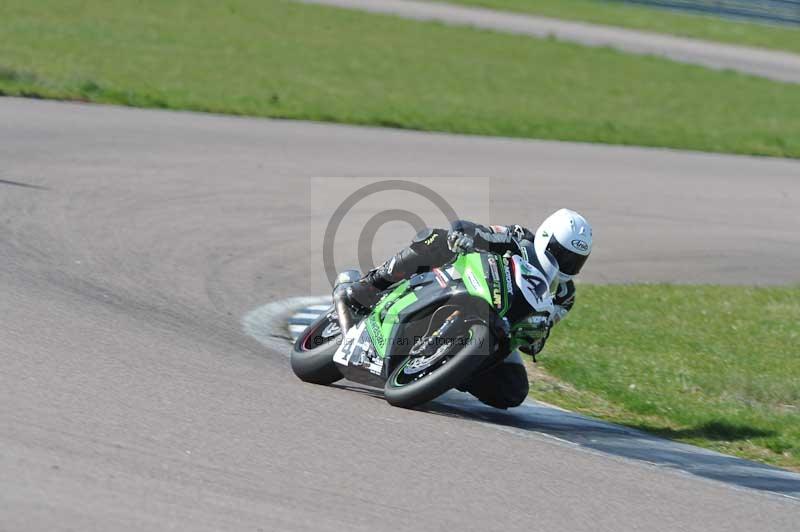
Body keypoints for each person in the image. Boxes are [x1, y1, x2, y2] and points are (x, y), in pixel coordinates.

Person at [336, 208, 593, 409]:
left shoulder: (564, 297)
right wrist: (463, 235)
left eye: (575, 260)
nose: (565, 263)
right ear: (546, 237)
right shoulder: (519, 238)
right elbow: (478, 231)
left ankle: (451, 368)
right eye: (562, 253)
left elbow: (535, 343)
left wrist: (535, 335)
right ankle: (370, 285)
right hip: (469, 288)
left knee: (513, 392)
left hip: (500, 333)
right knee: (437, 239)